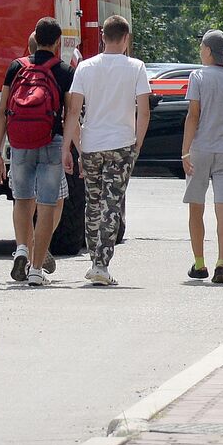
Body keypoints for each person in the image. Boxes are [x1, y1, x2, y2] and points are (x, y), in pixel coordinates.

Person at [62, 15, 151, 286]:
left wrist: (68, 147)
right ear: (126, 39)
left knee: (93, 201)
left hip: (90, 145)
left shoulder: (85, 68)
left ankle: (93, 260)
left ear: (102, 36)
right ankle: (102, 263)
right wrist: (137, 143)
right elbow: (143, 111)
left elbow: (73, 112)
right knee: (112, 203)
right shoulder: (136, 67)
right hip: (121, 143)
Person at [0, 18, 72, 287]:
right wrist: (73, 148)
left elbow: (3, 111)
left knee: (22, 199)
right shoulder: (63, 71)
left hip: (20, 142)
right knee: (48, 204)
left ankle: (22, 249)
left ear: (35, 38)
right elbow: (71, 115)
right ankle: (36, 270)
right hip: (51, 142)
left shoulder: (16, 67)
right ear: (58, 41)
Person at [183, 30, 223, 284]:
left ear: (208, 51)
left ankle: (199, 264)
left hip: (202, 148)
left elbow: (193, 115)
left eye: (202, 47)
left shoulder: (197, 76)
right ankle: (222, 263)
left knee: (196, 207)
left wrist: (185, 150)